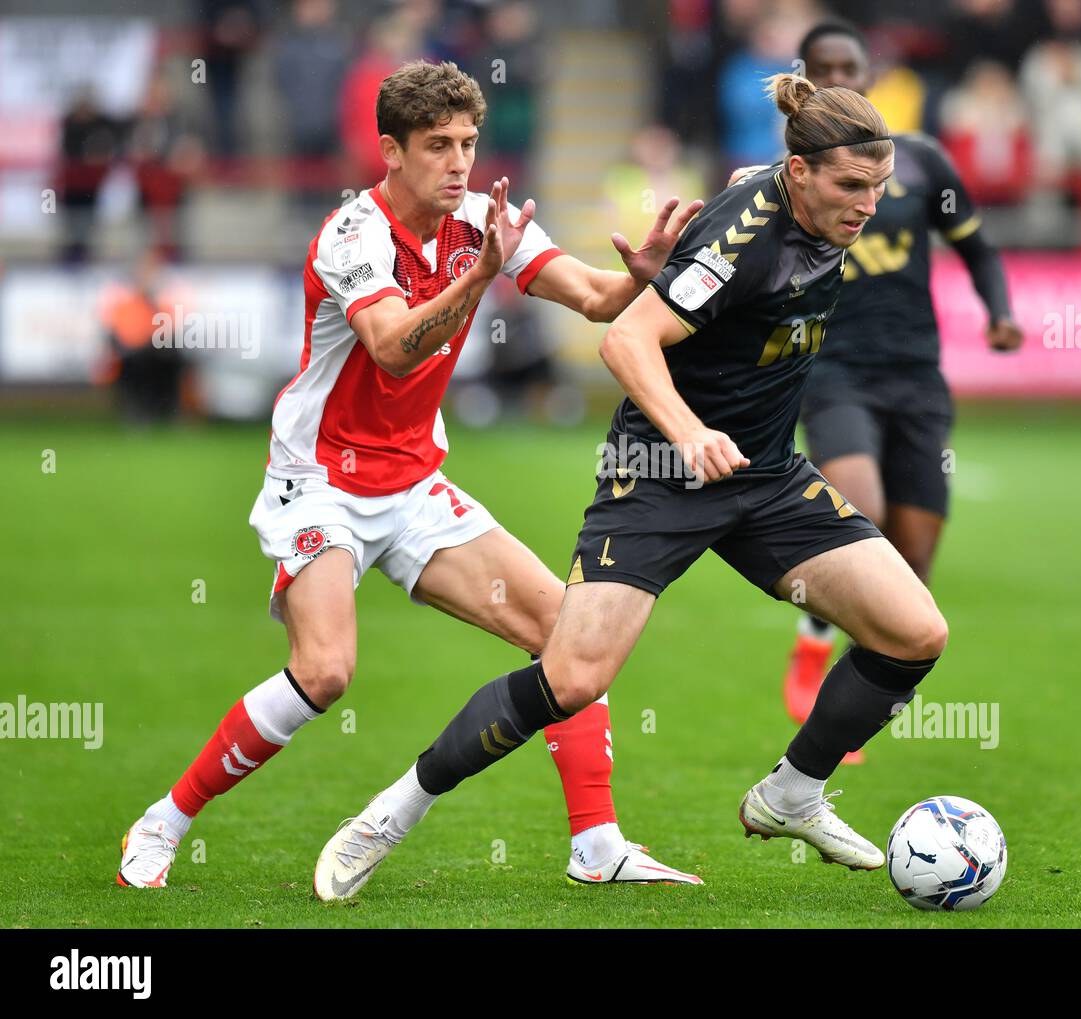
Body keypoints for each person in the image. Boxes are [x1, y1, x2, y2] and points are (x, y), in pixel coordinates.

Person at [315, 73, 949, 899]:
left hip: (763, 474)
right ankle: (391, 813)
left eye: (879, 186)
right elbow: (626, 342)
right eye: (852, 186)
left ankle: (792, 793)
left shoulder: (797, 196)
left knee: (915, 630)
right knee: (572, 678)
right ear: (800, 174)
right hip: (657, 476)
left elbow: (740, 196)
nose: (868, 204)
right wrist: (688, 433)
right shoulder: (744, 238)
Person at [117, 60, 707, 894]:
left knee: (568, 632)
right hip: (319, 479)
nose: (460, 162)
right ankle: (164, 820)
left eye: (468, 142)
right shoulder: (350, 236)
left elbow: (595, 296)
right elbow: (393, 346)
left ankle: (597, 844)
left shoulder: (485, 220)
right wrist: (480, 273)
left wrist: (641, 275)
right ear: (391, 151)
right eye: (438, 146)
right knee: (325, 672)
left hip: (413, 483)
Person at [777, 23, 1021, 734]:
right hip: (832, 369)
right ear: (805, 83)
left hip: (916, 374)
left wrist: (1000, 312)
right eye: (824, 69)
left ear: (870, 74)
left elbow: (977, 248)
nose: (840, 78)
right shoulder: (788, 177)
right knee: (863, 512)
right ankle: (813, 643)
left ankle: (846, 699)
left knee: (912, 563)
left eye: (851, 67)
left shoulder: (920, 165)